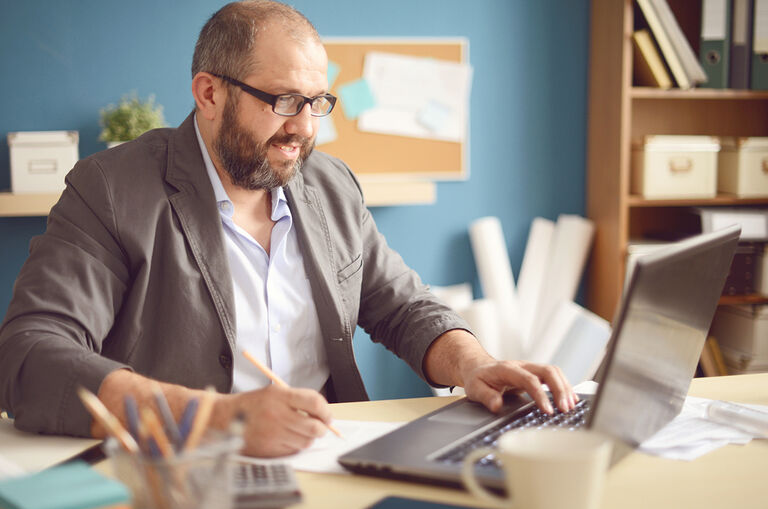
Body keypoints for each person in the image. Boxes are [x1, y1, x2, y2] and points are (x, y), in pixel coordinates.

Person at [0, 0, 576, 457]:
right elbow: (31, 354)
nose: (303, 128)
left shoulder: (329, 185)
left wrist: (473, 363)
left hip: (327, 459)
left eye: (317, 101)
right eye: (283, 100)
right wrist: (217, 418)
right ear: (209, 93)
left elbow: (402, 307)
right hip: (182, 471)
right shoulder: (111, 188)